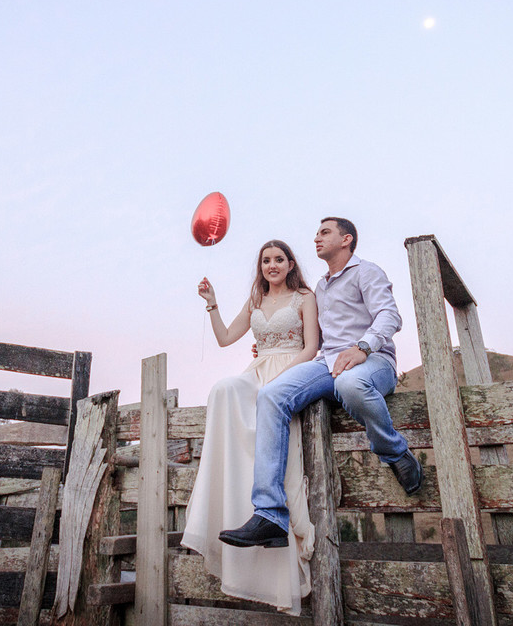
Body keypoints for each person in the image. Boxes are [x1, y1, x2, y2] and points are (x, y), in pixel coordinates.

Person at [219, 217, 421, 549]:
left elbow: (390, 316)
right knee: (270, 395)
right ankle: (270, 514)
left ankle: (395, 452)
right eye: (316, 233)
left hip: (373, 361)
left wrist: (362, 347)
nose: (316, 238)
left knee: (350, 385)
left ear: (347, 239)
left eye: (324, 232)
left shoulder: (367, 272)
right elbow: (318, 335)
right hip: (326, 363)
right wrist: (269, 342)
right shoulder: (322, 287)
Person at [180, 239, 321, 614]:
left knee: (272, 411)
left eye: (278, 259)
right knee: (224, 388)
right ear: (260, 267)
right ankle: (231, 476)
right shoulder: (256, 301)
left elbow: (311, 348)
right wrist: (211, 303)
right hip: (258, 371)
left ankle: (273, 519)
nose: (271, 266)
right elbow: (227, 338)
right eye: (265, 261)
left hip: (292, 371)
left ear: (290, 264)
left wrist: (283, 379)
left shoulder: (305, 296)